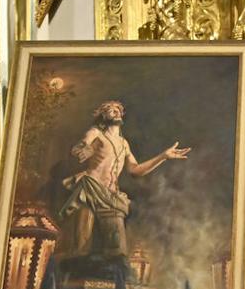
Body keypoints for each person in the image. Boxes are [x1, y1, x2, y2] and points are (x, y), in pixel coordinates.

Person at [59, 100, 189, 259]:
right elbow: (79, 146)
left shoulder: (124, 143)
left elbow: (135, 170)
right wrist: (84, 149)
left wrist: (163, 157)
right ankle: (75, 274)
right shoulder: (96, 133)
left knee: (118, 248)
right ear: (103, 115)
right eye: (111, 110)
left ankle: (115, 276)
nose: (116, 112)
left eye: (118, 110)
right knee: (82, 244)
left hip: (112, 195)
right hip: (91, 189)